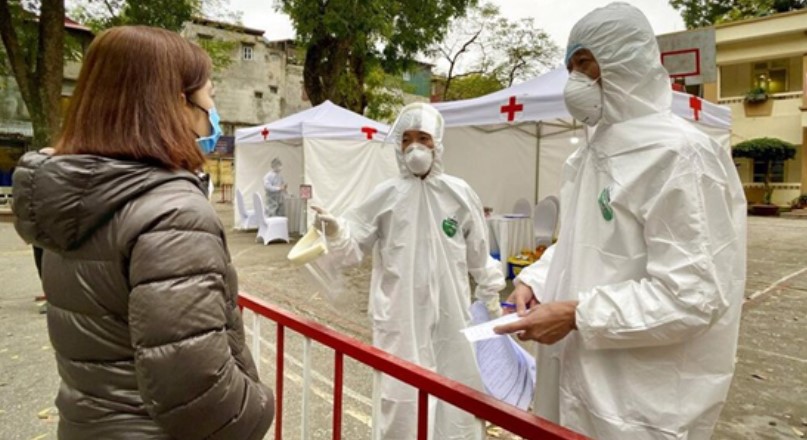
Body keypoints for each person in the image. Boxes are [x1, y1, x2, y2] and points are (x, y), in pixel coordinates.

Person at [494, 3, 747, 440]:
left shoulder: (680, 156)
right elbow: (577, 244)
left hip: (638, 402)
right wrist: (533, 280)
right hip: (573, 382)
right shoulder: (587, 156)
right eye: (570, 66)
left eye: (585, 62)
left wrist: (577, 315)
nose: (574, 79)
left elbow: (694, 295)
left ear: (624, 60)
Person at [12, 26, 273, 439]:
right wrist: (259, 406)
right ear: (174, 104)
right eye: (209, 95)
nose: (213, 111)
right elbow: (200, 393)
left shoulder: (73, 199)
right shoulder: (170, 212)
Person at [312, 102, 505, 440]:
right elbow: (354, 246)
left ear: (437, 143)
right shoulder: (386, 195)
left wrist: (490, 300)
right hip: (400, 318)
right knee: (402, 398)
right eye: (407, 139)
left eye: (424, 138)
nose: (415, 147)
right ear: (398, 146)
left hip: (452, 315)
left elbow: (479, 256)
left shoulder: (459, 194)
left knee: (456, 391)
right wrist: (336, 232)